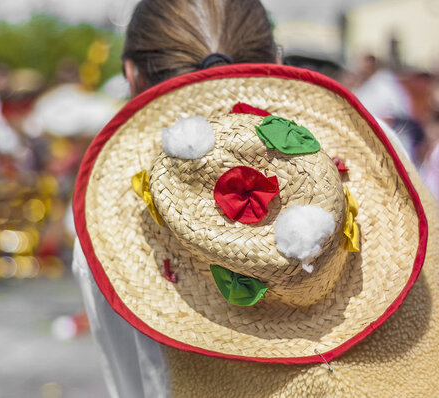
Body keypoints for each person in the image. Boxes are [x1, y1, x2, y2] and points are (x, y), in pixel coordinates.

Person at [72, 1, 439, 397]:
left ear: (131, 75)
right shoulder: (379, 144)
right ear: (276, 59)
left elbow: (134, 383)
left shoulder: (110, 225)